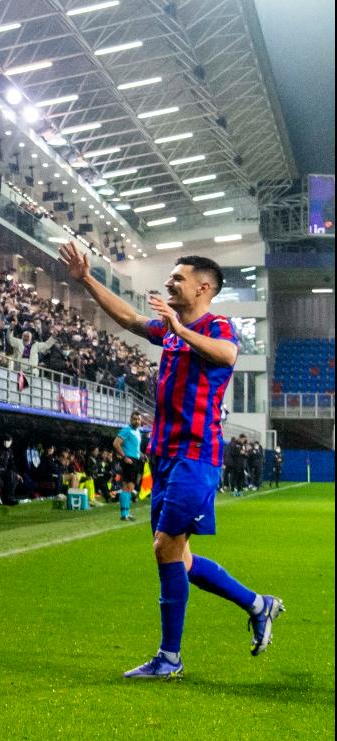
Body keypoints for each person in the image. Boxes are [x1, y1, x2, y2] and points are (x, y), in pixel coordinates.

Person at [62, 241, 284, 679]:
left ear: (203, 287)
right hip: (163, 455)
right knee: (177, 557)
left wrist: (178, 331)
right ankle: (259, 605)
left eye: (178, 278)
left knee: (165, 546)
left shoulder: (217, 327)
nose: (169, 282)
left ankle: (169, 658)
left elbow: (227, 356)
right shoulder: (170, 328)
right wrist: (86, 279)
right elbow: (127, 318)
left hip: (196, 454)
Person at [113, 412, 143, 521]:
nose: (137, 421)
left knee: (130, 488)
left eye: (139, 419)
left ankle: (126, 513)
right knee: (126, 487)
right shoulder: (126, 430)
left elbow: (135, 448)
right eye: (135, 419)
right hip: (128, 461)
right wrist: (124, 457)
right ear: (131, 419)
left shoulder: (138, 432)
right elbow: (116, 443)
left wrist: (142, 455)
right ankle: (124, 513)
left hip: (135, 460)